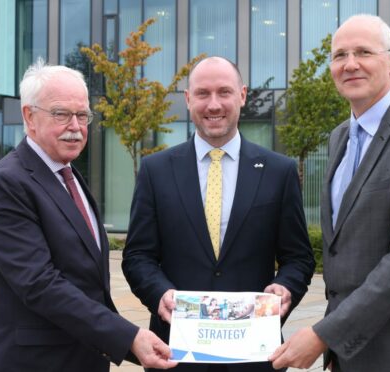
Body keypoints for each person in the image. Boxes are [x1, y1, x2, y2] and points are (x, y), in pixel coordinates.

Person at [269, 14, 390, 371]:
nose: (350, 64)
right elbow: (345, 250)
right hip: (350, 353)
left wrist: (325, 334)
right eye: (340, 55)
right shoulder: (339, 136)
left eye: (363, 52)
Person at [0, 60, 176, 371]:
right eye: (61, 114)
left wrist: (127, 340)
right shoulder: (5, 184)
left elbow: (88, 284)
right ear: (29, 116)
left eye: (82, 115)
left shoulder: (69, 175)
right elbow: (40, 284)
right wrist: (128, 337)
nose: (76, 127)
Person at [122, 56, 316, 372]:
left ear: (242, 95)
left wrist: (286, 287)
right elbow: (137, 256)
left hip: (254, 356)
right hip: (175, 355)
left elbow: (299, 258)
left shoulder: (279, 171)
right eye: (203, 94)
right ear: (188, 100)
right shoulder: (155, 171)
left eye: (224, 92)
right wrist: (160, 293)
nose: (214, 104)